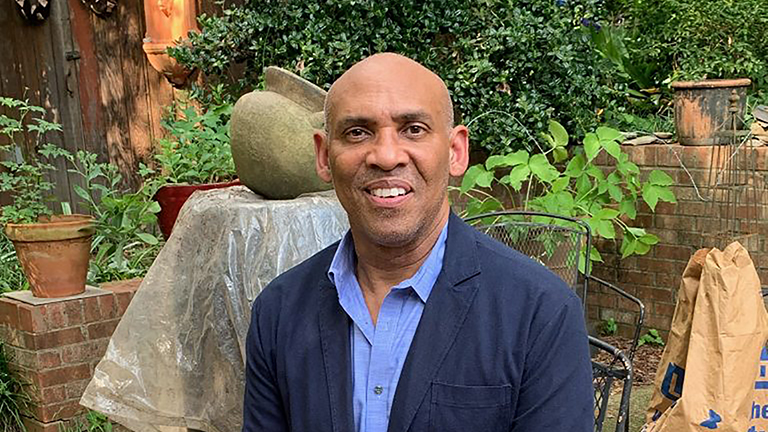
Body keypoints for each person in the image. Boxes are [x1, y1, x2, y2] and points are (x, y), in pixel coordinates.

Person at [242, 53, 594, 432]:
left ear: (456, 152)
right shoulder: (279, 313)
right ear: (324, 156)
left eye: (413, 129)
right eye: (358, 132)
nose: (387, 156)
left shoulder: (539, 314)